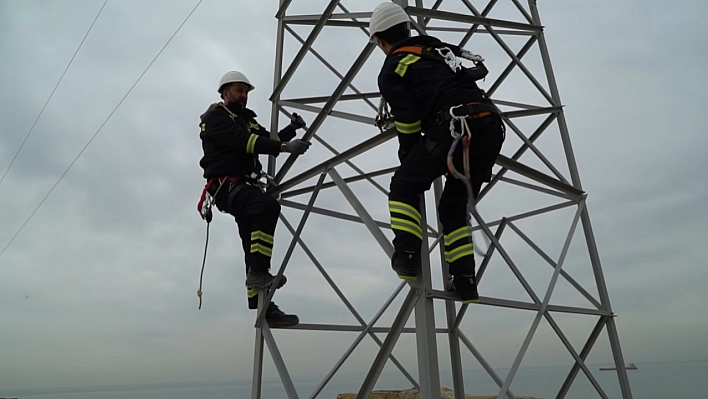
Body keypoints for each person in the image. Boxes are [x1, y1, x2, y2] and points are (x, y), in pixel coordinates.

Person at [369, 3, 505, 303]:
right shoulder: (438, 52)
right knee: (453, 208)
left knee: (404, 185)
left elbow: (407, 123)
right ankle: (465, 281)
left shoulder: (394, 66)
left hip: (454, 126)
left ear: (380, 40)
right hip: (490, 127)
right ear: (407, 29)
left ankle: (406, 254)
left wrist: (409, 157)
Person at [198, 71, 311, 326]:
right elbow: (245, 142)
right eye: (239, 90)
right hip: (227, 186)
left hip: (243, 186)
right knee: (266, 207)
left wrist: (290, 130)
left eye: (246, 91)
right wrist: (283, 148)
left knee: (252, 240)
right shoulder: (215, 119)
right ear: (224, 92)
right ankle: (259, 274)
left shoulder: (246, 120)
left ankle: (263, 305)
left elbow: (265, 140)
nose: (244, 95)